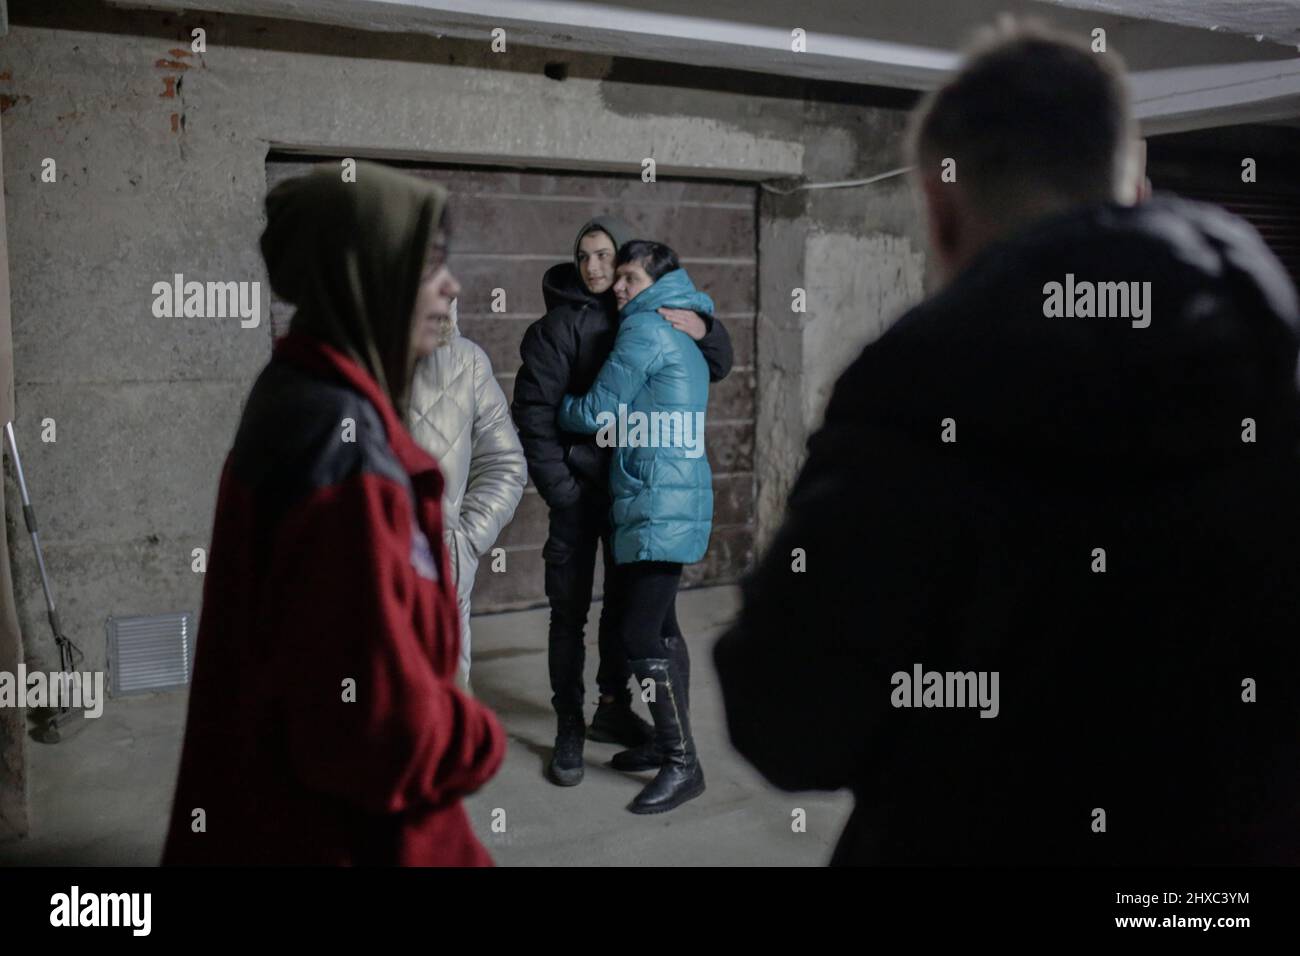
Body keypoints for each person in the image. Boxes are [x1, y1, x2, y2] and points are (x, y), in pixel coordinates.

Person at [714, 21, 1300, 864]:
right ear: (1131, 184)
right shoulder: (1272, 374)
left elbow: (788, 724)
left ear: (942, 207)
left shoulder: (914, 397)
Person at [163, 162, 505, 866]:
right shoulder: (343, 451)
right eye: (430, 264)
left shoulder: (297, 388)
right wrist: (480, 736)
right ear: (369, 274)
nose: (453, 286)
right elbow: (380, 732)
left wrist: (461, 547)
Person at [512, 216, 732, 786]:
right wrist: (562, 489)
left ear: (622, 267)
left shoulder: (643, 314)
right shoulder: (554, 329)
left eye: (605, 256)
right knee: (569, 612)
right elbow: (533, 417)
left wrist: (706, 328)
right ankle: (568, 724)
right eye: (583, 255)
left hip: (633, 494)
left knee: (630, 616)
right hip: (580, 495)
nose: (594, 267)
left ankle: (616, 712)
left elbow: (716, 360)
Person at [558, 241, 714, 813]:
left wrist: (560, 407)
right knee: (663, 628)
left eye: (629, 277)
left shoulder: (645, 329)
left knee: (641, 635)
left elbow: (598, 409)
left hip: (657, 497)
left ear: (657, 282)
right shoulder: (682, 325)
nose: (618, 286)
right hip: (672, 492)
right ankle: (669, 746)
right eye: (616, 276)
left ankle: (682, 762)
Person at [408, 298, 527, 693]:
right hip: (359, 590)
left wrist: (463, 542)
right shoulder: (342, 365)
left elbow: (504, 464)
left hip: (441, 582)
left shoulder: (466, 362)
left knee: (442, 727)